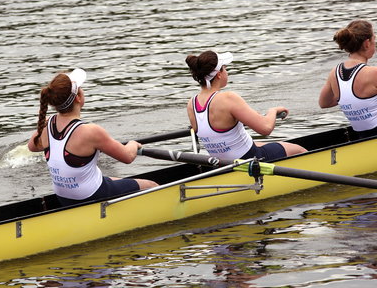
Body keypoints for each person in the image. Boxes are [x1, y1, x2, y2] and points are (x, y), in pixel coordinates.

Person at [28, 68, 158, 206]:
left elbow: (32, 146)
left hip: (64, 197)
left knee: (113, 179)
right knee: (152, 186)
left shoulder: (47, 123)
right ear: (78, 97)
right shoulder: (90, 132)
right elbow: (127, 157)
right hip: (90, 195)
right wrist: (133, 144)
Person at [185, 50, 307, 161]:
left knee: (265, 143)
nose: (227, 72)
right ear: (219, 74)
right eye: (225, 68)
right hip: (249, 160)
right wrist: (273, 111)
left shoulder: (192, 103)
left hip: (220, 163)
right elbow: (266, 128)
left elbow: (217, 132)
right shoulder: (228, 98)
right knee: (299, 150)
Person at [319, 20, 377, 139]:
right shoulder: (373, 73)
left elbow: (324, 103)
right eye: (374, 40)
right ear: (367, 43)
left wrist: (348, 99)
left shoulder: (334, 73)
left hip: (362, 138)